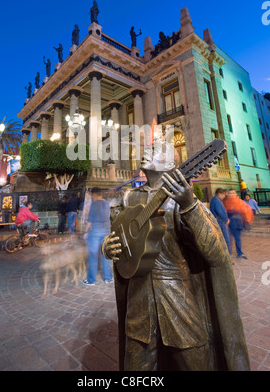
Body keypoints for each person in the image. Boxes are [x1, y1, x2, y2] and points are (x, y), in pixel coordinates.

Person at [102, 141, 250, 371]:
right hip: (138, 303)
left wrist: (189, 204)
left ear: (170, 164)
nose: (146, 151)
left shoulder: (182, 199)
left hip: (178, 299)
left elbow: (215, 253)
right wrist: (107, 246)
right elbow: (117, 236)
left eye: (155, 150)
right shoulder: (129, 198)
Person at [83, 187, 113, 285]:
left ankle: (91, 280)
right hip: (106, 231)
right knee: (105, 255)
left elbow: (90, 220)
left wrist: (86, 232)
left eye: (92, 194)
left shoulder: (93, 204)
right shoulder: (107, 204)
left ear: (95, 194)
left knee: (93, 256)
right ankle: (108, 278)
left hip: (95, 231)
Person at [223, 189, 253, 260]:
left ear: (236, 194)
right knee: (228, 240)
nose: (232, 194)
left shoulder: (240, 202)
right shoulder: (225, 202)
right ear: (228, 194)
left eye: (233, 193)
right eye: (230, 193)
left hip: (237, 223)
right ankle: (228, 254)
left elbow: (246, 211)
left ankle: (239, 253)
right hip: (228, 224)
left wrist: (246, 221)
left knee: (238, 239)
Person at [209, 188, 232, 255]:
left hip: (218, 220)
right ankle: (227, 257)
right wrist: (226, 219)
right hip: (221, 221)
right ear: (220, 194)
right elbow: (220, 211)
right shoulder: (216, 200)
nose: (224, 196)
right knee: (226, 240)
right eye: (224, 194)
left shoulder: (214, 199)